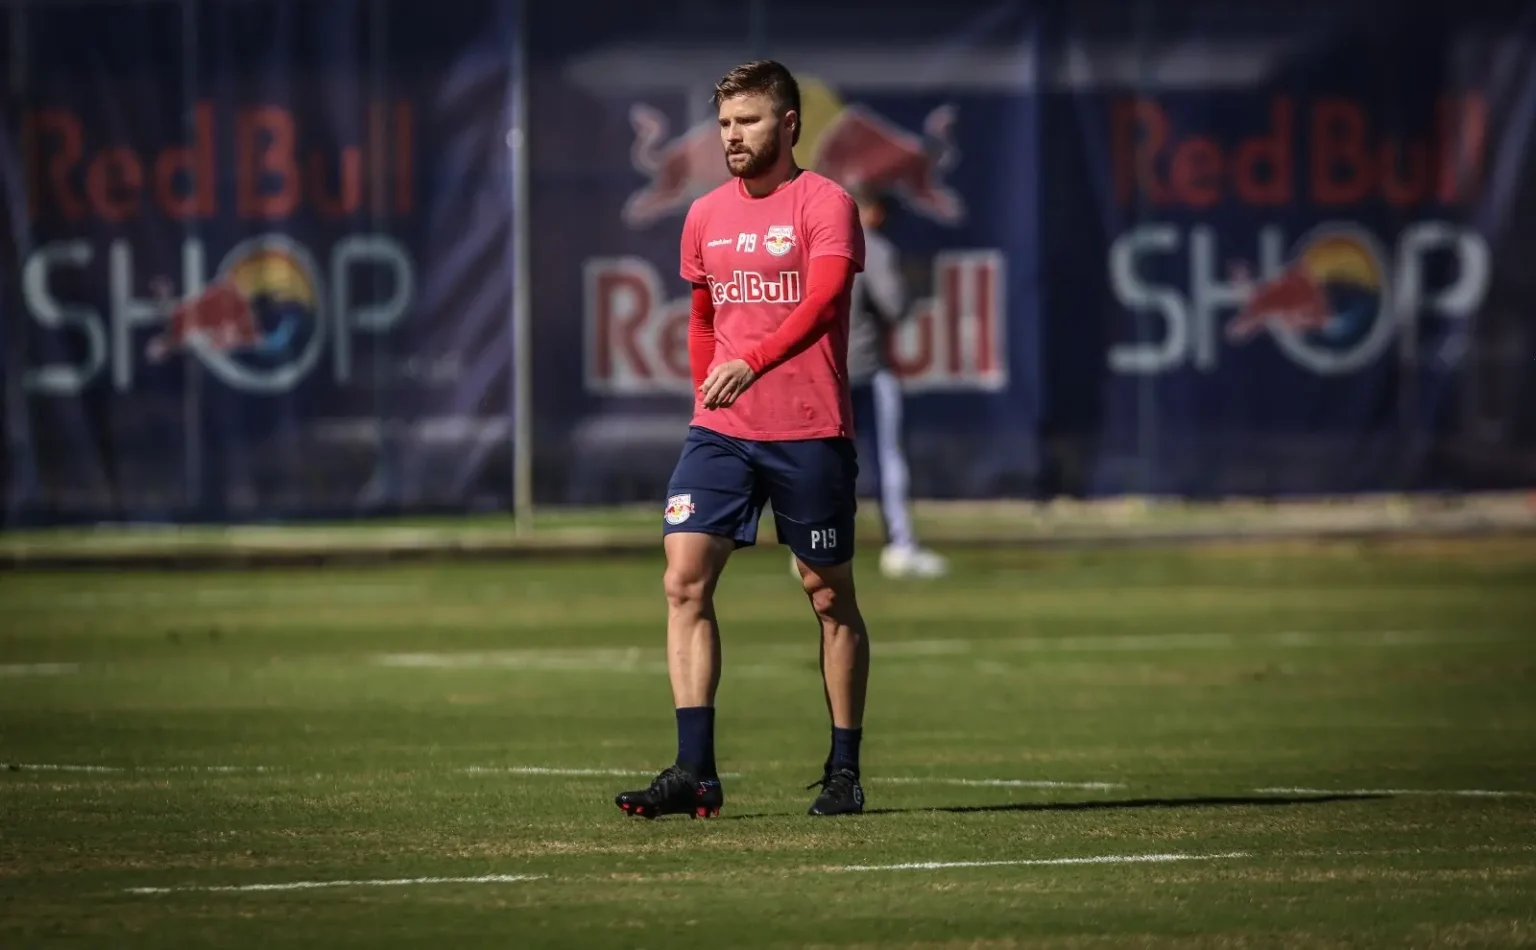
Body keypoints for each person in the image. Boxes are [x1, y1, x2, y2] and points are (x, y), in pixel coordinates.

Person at [614, 60, 871, 819]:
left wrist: (751, 363)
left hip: (809, 428)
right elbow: (701, 317)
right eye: (725, 122)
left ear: (789, 123)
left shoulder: (827, 204)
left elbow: (823, 303)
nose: (732, 136)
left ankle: (844, 770)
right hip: (722, 433)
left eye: (748, 121)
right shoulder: (704, 215)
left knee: (829, 597)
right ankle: (695, 771)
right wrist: (707, 396)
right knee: (683, 577)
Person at [843, 188, 949, 579]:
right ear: (870, 211)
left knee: (823, 461)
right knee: (888, 457)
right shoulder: (874, 248)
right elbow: (894, 305)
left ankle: (810, 543)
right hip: (868, 369)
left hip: (821, 371)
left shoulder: (812, 244)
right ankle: (901, 546)